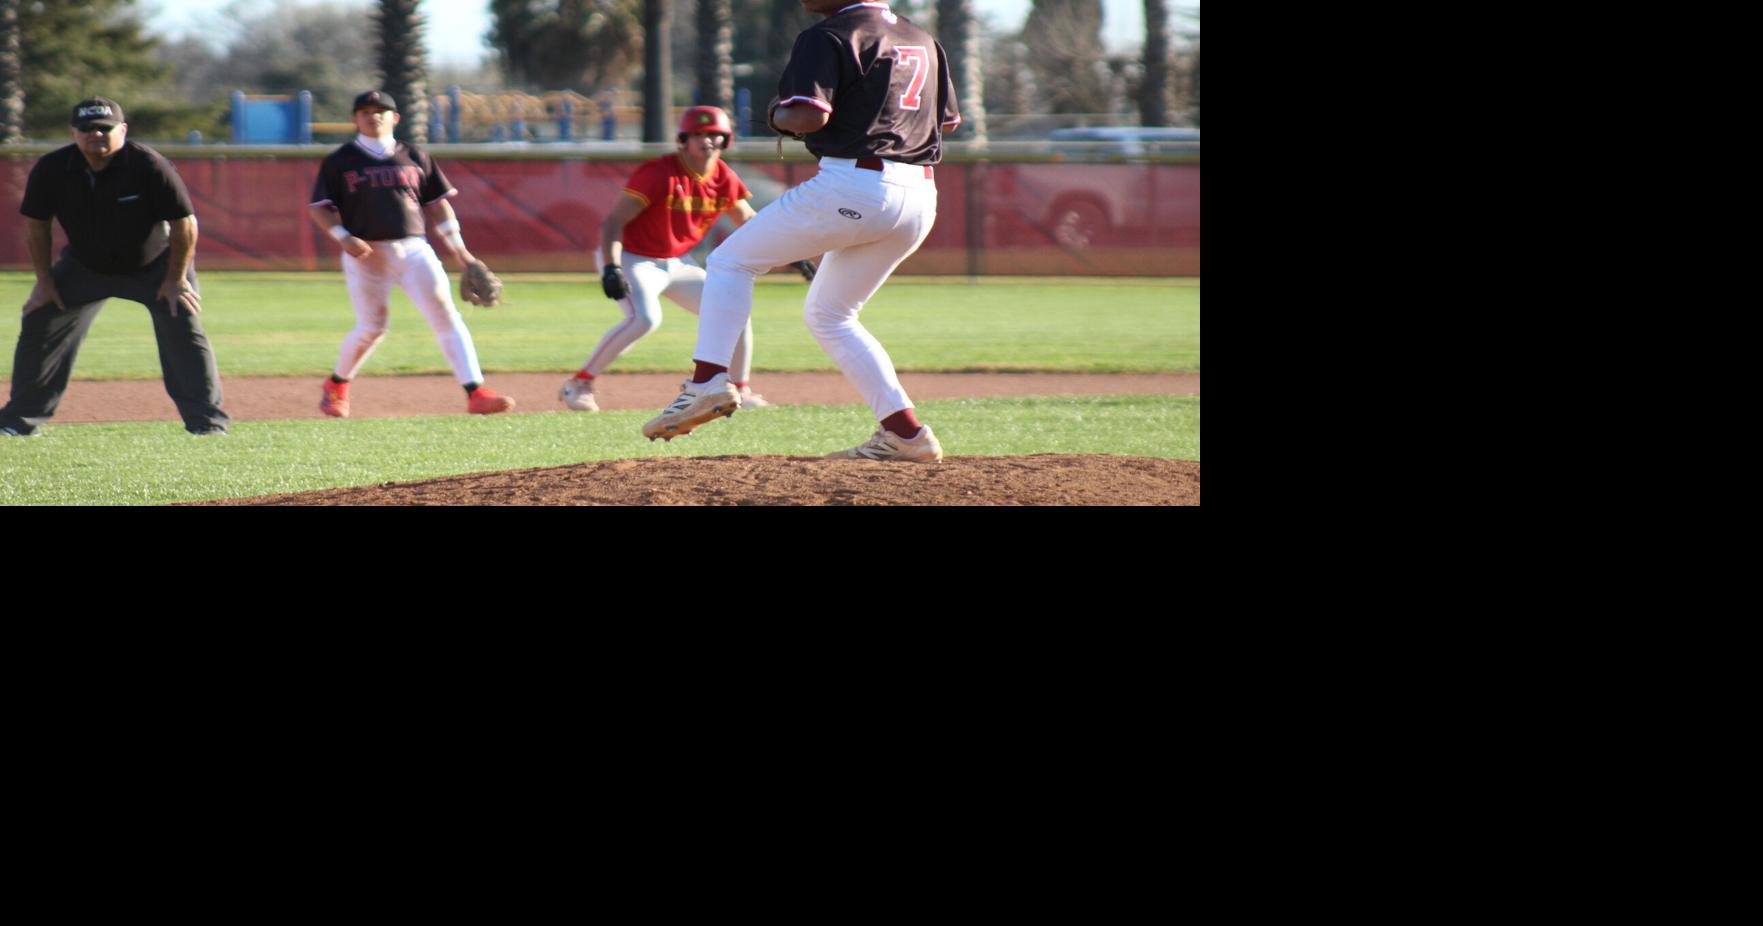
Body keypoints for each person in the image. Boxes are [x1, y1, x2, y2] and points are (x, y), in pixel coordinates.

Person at [641, 0, 958, 462]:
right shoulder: (923, 40)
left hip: (855, 181)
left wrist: (777, 115)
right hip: (920, 195)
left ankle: (706, 382)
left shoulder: (829, 35)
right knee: (831, 315)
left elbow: (809, 116)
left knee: (730, 260)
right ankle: (906, 436)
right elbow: (945, 122)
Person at [1, 98, 230, 437]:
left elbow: (185, 224)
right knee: (40, 317)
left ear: (122, 130)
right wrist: (45, 281)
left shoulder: (149, 165)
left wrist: (177, 279)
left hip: (154, 266)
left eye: (104, 128)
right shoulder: (53, 168)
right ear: (73, 133)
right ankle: (19, 421)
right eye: (86, 129)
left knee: (183, 325)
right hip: (85, 266)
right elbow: (36, 226)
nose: (95, 134)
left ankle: (207, 424)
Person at [562, 105, 813, 413]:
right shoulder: (658, 172)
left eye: (714, 135)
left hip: (677, 261)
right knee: (643, 319)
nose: (707, 141)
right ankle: (579, 384)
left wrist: (791, 254)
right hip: (633, 256)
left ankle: (740, 389)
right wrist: (611, 267)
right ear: (683, 139)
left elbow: (749, 222)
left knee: (732, 312)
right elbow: (613, 222)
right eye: (698, 134)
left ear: (725, 140)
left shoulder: (723, 176)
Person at [307, 90, 514, 419]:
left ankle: (476, 392)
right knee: (372, 328)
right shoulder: (339, 160)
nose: (373, 116)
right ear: (354, 119)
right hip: (366, 254)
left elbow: (438, 205)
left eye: (381, 110)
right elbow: (319, 209)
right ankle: (336, 385)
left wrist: (460, 252)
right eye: (365, 111)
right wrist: (343, 237)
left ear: (395, 117)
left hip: (415, 249)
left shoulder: (415, 155)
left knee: (446, 317)